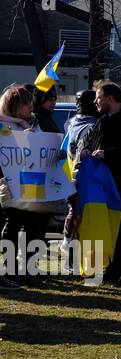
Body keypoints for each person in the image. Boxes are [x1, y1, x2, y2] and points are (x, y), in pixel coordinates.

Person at [0, 85, 64, 289]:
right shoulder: (3, 127)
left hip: (34, 184)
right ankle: (10, 269)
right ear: (15, 106)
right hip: (12, 186)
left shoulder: (33, 124)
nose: (31, 107)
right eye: (27, 104)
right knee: (14, 223)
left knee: (35, 226)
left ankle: (27, 267)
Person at [81, 81, 121, 285]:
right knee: (107, 226)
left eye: (98, 97)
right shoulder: (101, 121)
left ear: (109, 98)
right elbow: (88, 142)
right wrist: (85, 151)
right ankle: (111, 269)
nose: (95, 101)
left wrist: (107, 154)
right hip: (101, 186)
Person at [60, 89, 100, 263]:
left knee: (73, 212)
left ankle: (67, 242)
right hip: (84, 176)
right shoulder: (93, 126)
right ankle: (72, 250)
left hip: (70, 175)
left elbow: (64, 149)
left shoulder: (72, 124)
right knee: (81, 215)